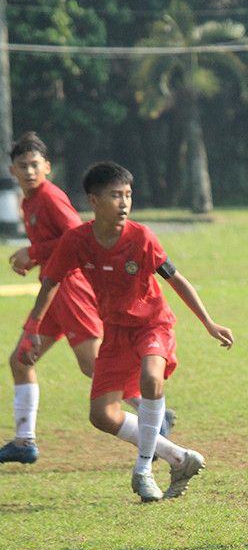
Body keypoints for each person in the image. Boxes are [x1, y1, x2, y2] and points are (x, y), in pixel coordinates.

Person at [19, 162, 234, 501]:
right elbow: (51, 281)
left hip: (153, 324)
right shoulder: (77, 240)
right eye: (115, 196)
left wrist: (208, 322)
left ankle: (143, 470)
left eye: (128, 195)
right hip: (115, 332)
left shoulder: (141, 237)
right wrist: (32, 327)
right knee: (101, 415)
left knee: (151, 379)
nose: (124, 203)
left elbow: (175, 279)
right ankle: (179, 458)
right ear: (94, 200)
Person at [2, 133, 175, 465]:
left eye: (34, 164)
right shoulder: (30, 201)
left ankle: (152, 415)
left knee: (94, 365)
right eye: (22, 166)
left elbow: (78, 238)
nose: (28, 171)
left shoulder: (50, 198)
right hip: (52, 291)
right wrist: (36, 259)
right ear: (12, 170)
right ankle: (25, 442)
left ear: (47, 168)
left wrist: (33, 251)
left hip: (71, 290)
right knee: (20, 360)